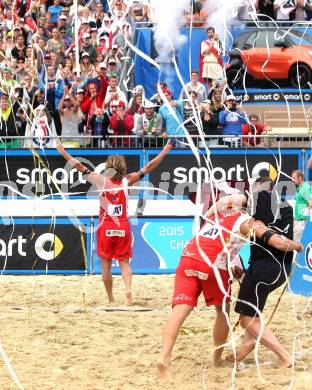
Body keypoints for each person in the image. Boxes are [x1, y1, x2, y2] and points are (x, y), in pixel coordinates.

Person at [157, 187, 302, 379]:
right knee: (222, 311)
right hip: (212, 263)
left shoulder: (218, 214)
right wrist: (296, 245)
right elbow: (277, 242)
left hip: (187, 257)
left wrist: (210, 213)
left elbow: (221, 207)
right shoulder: (248, 222)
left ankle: (164, 357)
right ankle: (217, 359)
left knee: (179, 311)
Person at [56, 141, 173, 305]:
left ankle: (111, 298)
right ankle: (128, 290)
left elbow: (79, 166)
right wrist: (165, 149)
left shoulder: (100, 180)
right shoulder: (128, 180)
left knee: (106, 266)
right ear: (123, 167)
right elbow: (149, 166)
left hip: (105, 227)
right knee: (124, 263)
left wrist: (63, 152)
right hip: (122, 226)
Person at [231, 178, 303, 368]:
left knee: (247, 318)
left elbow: (277, 241)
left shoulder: (260, 200)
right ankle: (248, 344)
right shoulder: (286, 207)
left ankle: (284, 356)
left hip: (263, 267)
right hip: (282, 269)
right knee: (252, 313)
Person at [291, 170, 312, 242]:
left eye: (294, 178)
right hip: (298, 221)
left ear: (300, 178)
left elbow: (311, 203)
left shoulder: (305, 188)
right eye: (292, 178)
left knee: (296, 244)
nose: (292, 180)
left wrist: (304, 217)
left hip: (301, 222)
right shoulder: (300, 187)